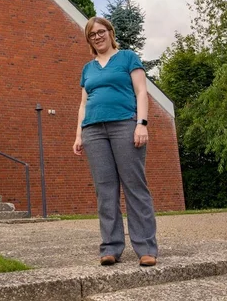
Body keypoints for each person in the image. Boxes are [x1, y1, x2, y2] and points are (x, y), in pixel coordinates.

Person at [72, 16, 158, 267]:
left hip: (125, 125)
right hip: (93, 131)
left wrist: (142, 124)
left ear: (110, 32)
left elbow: (141, 92)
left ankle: (146, 248)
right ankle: (110, 247)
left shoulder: (128, 58)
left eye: (101, 32)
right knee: (105, 190)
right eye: (92, 35)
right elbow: (83, 104)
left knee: (134, 186)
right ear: (89, 40)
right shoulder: (88, 69)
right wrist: (78, 134)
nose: (97, 37)